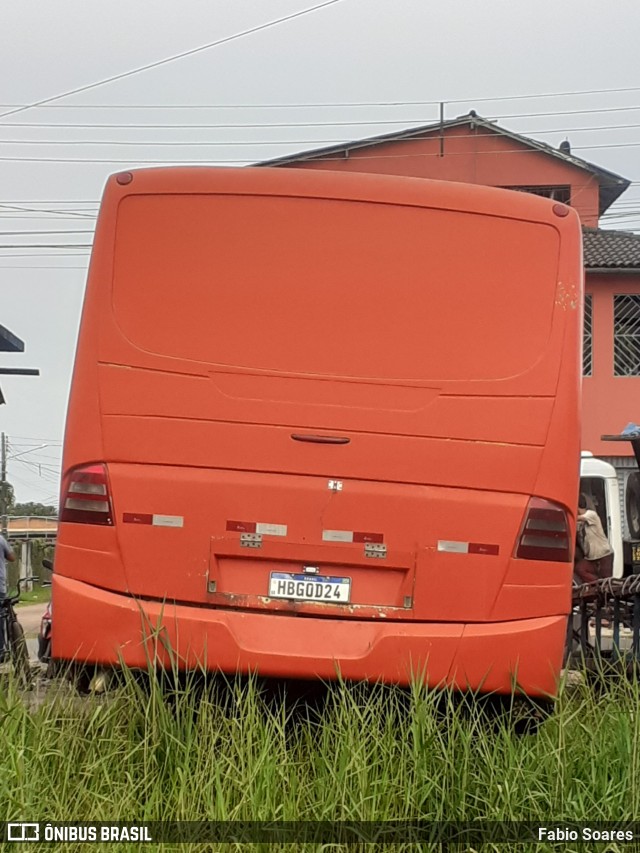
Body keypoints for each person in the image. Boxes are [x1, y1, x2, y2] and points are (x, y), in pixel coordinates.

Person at [574, 495, 614, 584]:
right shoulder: (580, 524)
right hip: (591, 558)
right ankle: (597, 583)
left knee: (606, 582)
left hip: (604, 555)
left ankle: (601, 586)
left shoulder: (591, 515)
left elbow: (576, 519)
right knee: (580, 569)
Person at [0, 534, 16, 662]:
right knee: (1, 618)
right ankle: (1, 651)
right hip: (0, 586)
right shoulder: (0, 539)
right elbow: (12, 557)